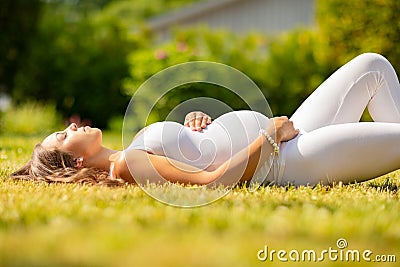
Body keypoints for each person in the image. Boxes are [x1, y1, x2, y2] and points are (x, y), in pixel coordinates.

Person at [10, 53, 400, 186]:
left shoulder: (131, 151)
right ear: (75, 162)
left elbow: (201, 159)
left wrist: (199, 130)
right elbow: (214, 181)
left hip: (290, 135)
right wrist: (268, 134)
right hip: (289, 160)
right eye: (63, 136)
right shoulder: (125, 165)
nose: (72, 126)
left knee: (372, 66)